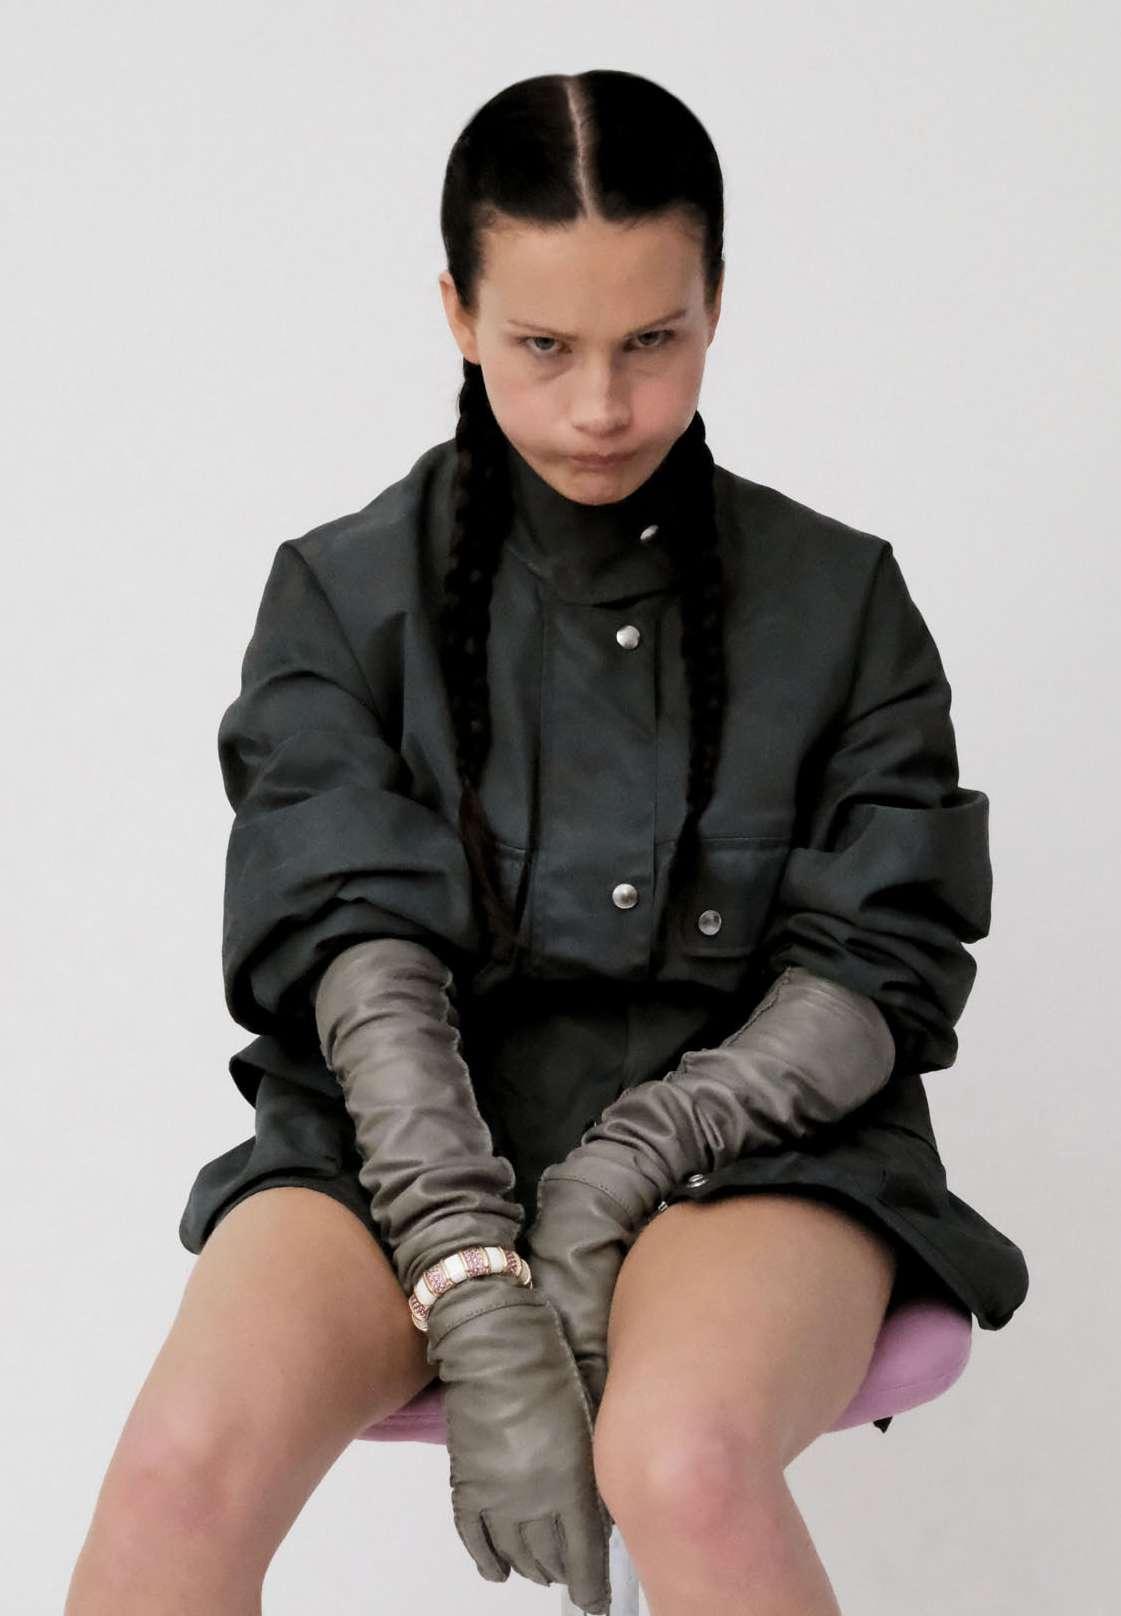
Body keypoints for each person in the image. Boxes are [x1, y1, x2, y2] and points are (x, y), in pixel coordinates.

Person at [65, 68, 1029, 1616]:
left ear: (715, 305)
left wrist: (618, 1171)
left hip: (752, 1154)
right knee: (181, 1468)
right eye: (542, 345)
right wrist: (469, 1274)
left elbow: (877, 964)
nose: (600, 406)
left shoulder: (841, 598)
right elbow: (359, 960)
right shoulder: (340, 596)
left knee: (680, 1459)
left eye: (653, 340)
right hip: (393, 1145)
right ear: (457, 312)